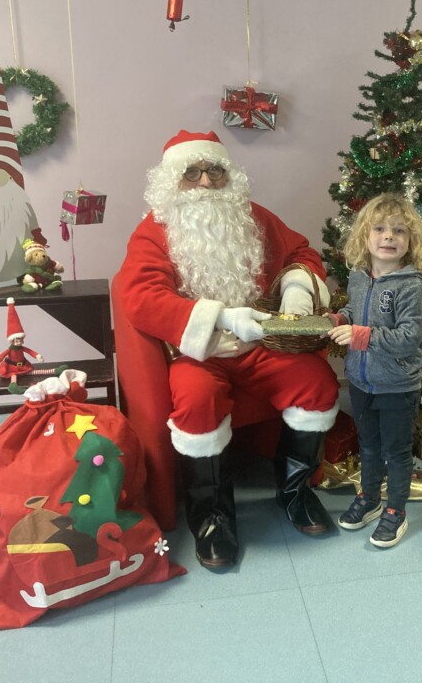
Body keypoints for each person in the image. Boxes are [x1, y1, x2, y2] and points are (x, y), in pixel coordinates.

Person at [115, 130, 341, 571]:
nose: (205, 181)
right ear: (172, 181)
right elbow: (140, 296)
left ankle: (295, 492)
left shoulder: (252, 216)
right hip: (199, 353)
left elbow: (301, 252)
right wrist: (218, 319)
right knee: (197, 400)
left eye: (215, 170)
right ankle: (212, 517)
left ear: (229, 176)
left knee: (316, 383)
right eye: (192, 172)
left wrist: (297, 289)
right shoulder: (154, 232)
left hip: (260, 345)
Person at [327, 193, 422, 548]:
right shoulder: (359, 277)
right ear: (364, 237)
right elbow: (357, 313)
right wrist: (341, 319)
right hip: (361, 382)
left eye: (399, 231)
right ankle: (370, 498)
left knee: (396, 452)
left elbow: (407, 338)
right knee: (369, 446)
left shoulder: (411, 286)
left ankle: (396, 511)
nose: (389, 236)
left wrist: (361, 336)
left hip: (397, 386)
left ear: (411, 241)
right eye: (380, 229)